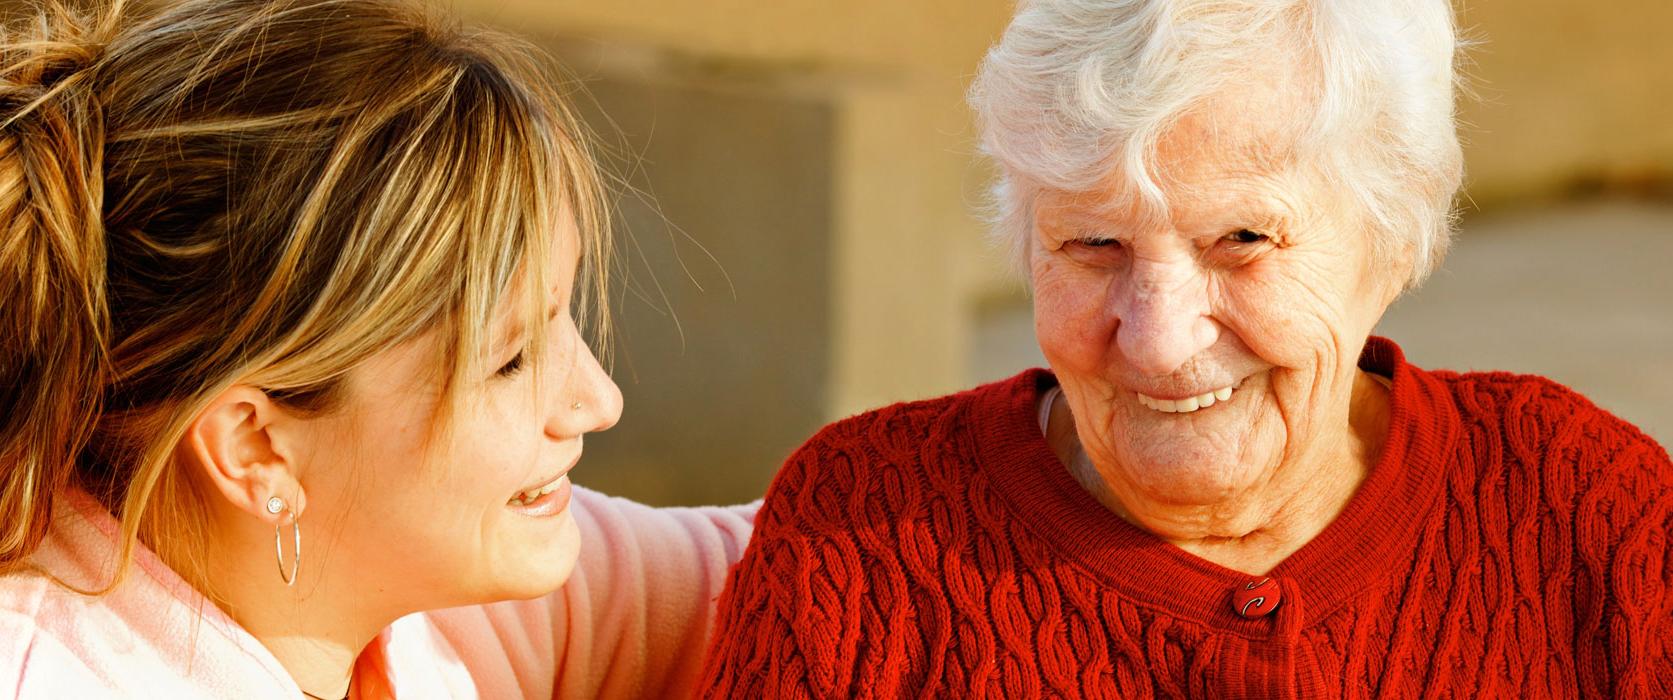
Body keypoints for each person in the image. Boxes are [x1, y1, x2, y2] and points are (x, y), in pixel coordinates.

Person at [698, 0, 1672, 697]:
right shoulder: (863, 532)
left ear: (1393, 237)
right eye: (1091, 244)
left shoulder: (1584, 508)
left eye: (1240, 241)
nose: (1158, 341)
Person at [0, 0, 755, 697]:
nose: (597, 401)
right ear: (254, 445)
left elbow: (806, 548)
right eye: (510, 361)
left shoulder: (431, 581)